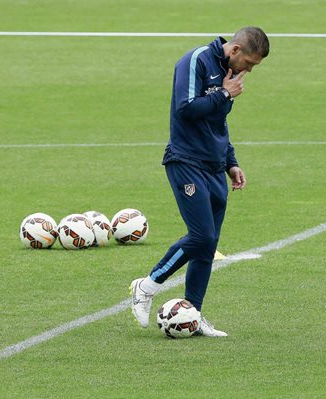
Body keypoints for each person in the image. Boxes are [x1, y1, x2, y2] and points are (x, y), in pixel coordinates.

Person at [130, 27, 270, 337]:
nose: (249, 70)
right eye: (249, 63)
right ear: (233, 50)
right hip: (185, 162)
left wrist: (231, 163)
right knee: (202, 236)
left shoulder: (228, 74)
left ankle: (193, 315)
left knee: (208, 247)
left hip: (215, 168)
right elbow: (186, 108)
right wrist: (223, 93)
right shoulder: (196, 61)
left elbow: (218, 122)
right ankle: (147, 285)